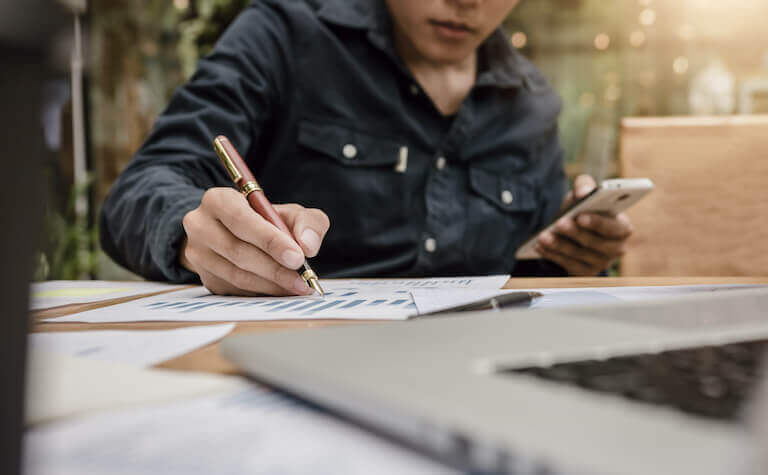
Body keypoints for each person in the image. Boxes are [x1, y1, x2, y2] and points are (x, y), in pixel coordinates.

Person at [101, 0, 633, 296]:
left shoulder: (533, 104)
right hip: (295, 368)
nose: (466, 1)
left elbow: (528, 277)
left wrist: (577, 254)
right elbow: (140, 190)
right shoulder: (285, 36)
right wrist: (192, 238)